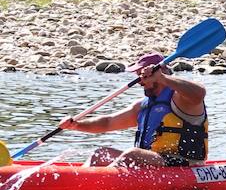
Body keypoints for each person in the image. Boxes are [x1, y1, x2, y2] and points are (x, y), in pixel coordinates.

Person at [59, 53, 208, 168]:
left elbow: (199, 92)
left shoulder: (182, 99)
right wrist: (76, 125)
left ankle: (102, 183)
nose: (140, 82)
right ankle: (84, 181)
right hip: (152, 161)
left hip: (185, 163)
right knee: (100, 154)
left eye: (143, 76)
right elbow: (108, 122)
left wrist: (162, 78)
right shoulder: (142, 106)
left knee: (133, 154)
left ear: (160, 72)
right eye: (138, 77)